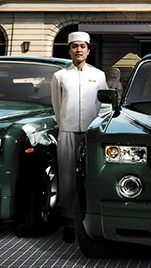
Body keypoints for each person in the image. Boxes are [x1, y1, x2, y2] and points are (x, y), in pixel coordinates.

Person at [51, 31, 109, 243]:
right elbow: (57, 106)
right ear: (69, 50)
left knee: (90, 177)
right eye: (74, 46)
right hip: (66, 132)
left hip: (91, 134)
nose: (78, 50)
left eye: (82, 46)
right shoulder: (60, 76)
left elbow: (103, 107)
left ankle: (91, 220)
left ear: (88, 49)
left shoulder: (99, 75)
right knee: (67, 180)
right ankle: (68, 220)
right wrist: (65, 125)